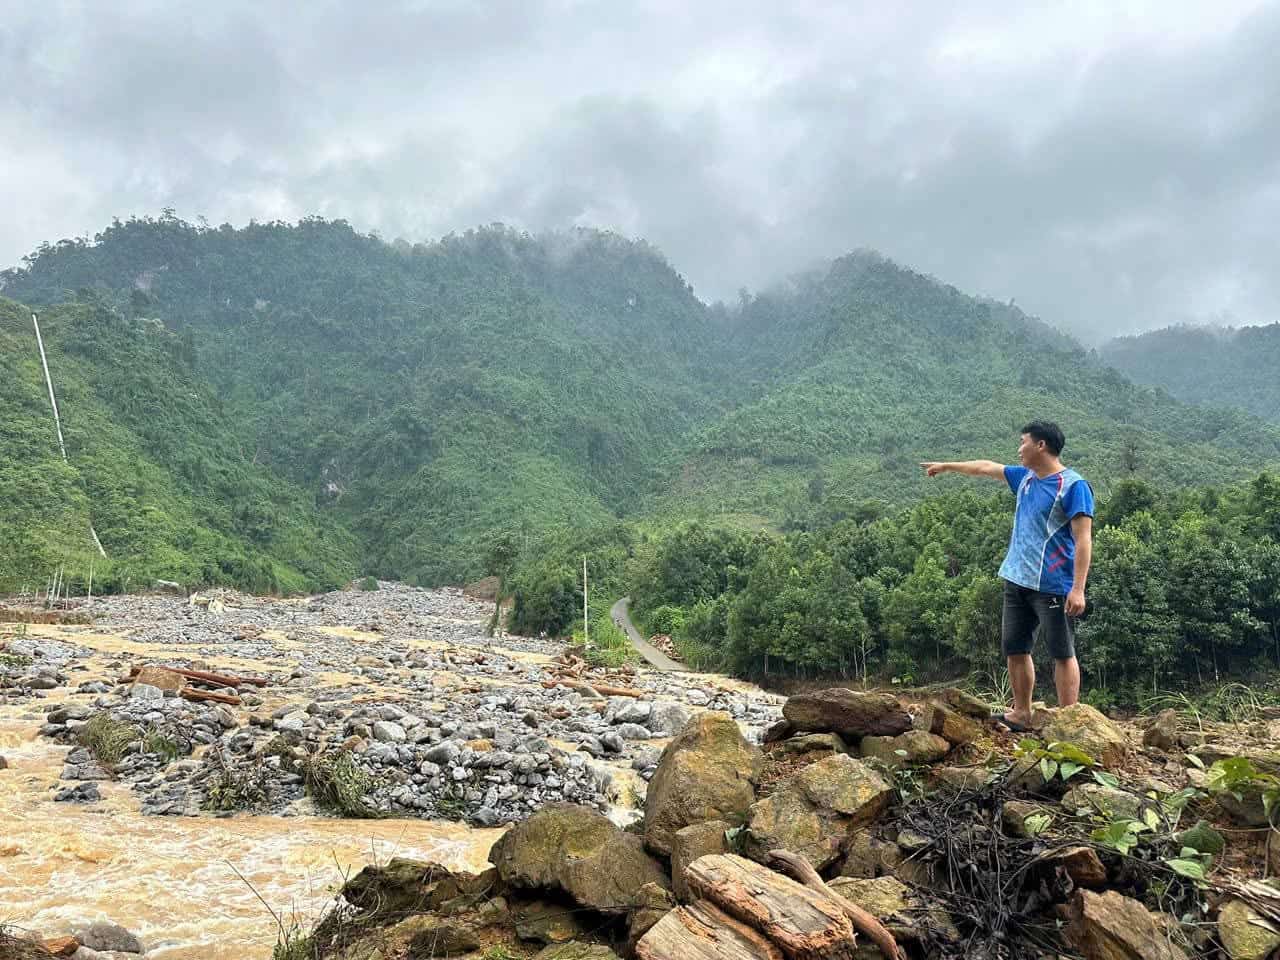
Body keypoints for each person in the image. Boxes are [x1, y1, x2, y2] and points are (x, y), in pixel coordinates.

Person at [920, 421, 1094, 732]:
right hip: (1016, 580)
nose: (1019, 448)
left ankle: (1070, 721)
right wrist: (946, 466)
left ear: (1041, 445)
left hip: (1053, 584)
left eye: (1023, 442)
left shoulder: (1072, 486)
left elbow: (1083, 539)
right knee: (1015, 647)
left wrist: (1078, 589)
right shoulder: (1025, 477)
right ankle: (1021, 713)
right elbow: (985, 467)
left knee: (1062, 652)